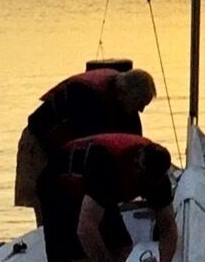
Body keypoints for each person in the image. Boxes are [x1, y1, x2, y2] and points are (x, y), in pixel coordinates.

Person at [39, 130, 177, 262]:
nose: (144, 190)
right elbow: (86, 230)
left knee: (121, 246)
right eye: (142, 182)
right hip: (62, 182)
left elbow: (168, 227)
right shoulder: (107, 164)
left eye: (149, 185)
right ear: (136, 167)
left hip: (96, 191)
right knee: (81, 257)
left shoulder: (158, 180)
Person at [13, 65, 155, 208]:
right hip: (40, 140)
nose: (141, 110)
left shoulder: (125, 103)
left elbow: (133, 144)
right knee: (51, 199)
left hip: (72, 142)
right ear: (125, 92)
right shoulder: (86, 97)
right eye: (140, 103)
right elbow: (83, 151)